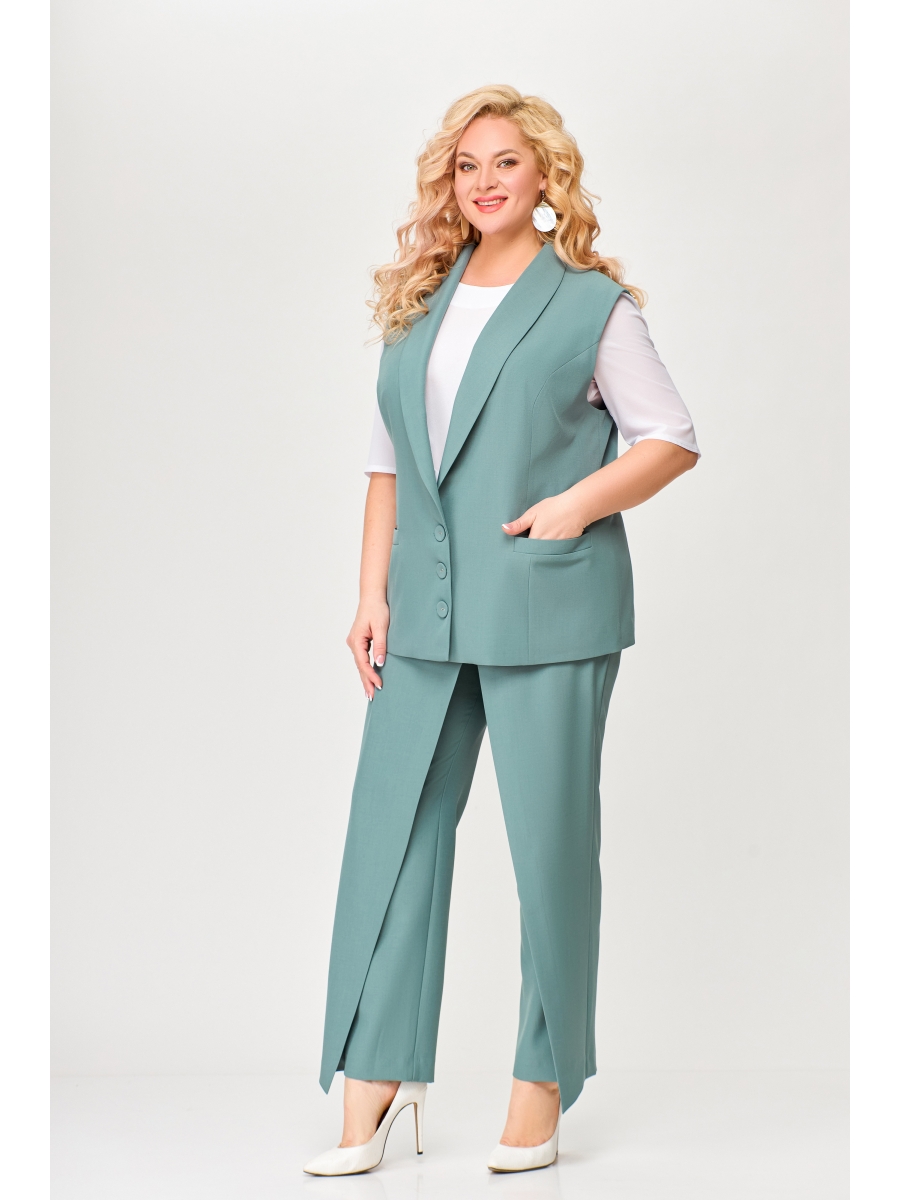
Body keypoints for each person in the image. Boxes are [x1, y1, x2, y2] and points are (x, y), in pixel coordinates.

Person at [304, 84, 699, 1177]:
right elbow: (388, 463)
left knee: (549, 849)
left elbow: (669, 436)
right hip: (422, 614)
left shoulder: (591, 305)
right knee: (393, 839)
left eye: (506, 162)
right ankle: (378, 1076)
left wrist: (576, 505)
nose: (485, 181)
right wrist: (370, 593)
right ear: (451, 182)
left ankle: (542, 1081)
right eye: (467, 164)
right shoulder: (417, 305)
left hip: (550, 606)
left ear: (545, 177)